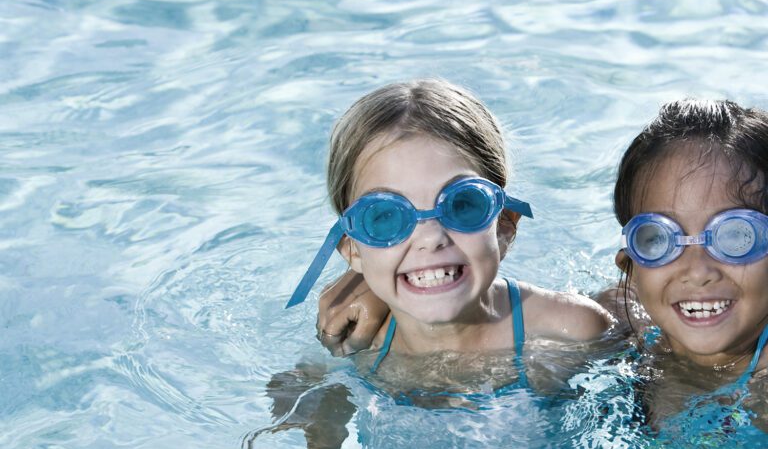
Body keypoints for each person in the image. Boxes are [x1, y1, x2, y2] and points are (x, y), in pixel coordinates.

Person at [318, 97, 768, 402]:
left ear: (505, 226)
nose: (698, 270)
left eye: (737, 236)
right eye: (659, 240)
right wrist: (386, 280)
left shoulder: (602, 329)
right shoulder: (628, 327)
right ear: (629, 262)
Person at [287, 78, 612, 388]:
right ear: (352, 249)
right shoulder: (356, 348)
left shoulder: (569, 330)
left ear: (504, 225)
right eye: (385, 217)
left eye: (463, 204)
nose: (430, 237)